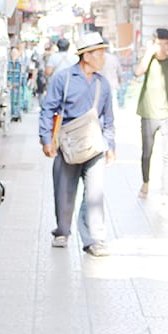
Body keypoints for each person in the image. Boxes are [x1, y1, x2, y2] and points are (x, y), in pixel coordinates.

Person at [40, 30, 115, 255]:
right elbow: (48, 109)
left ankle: (94, 240)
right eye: (99, 54)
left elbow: (109, 118)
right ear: (86, 56)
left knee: (94, 193)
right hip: (68, 144)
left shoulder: (104, 84)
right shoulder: (63, 79)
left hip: (95, 146)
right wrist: (46, 140)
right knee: (64, 191)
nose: (103, 58)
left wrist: (110, 145)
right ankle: (62, 231)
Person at [134, 28, 168, 199]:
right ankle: (145, 183)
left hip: (167, 115)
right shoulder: (149, 61)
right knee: (147, 152)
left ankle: (165, 190)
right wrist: (149, 52)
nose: (161, 47)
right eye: (158, 44)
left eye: (164, 44)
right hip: (148, 113)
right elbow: (138, 72)